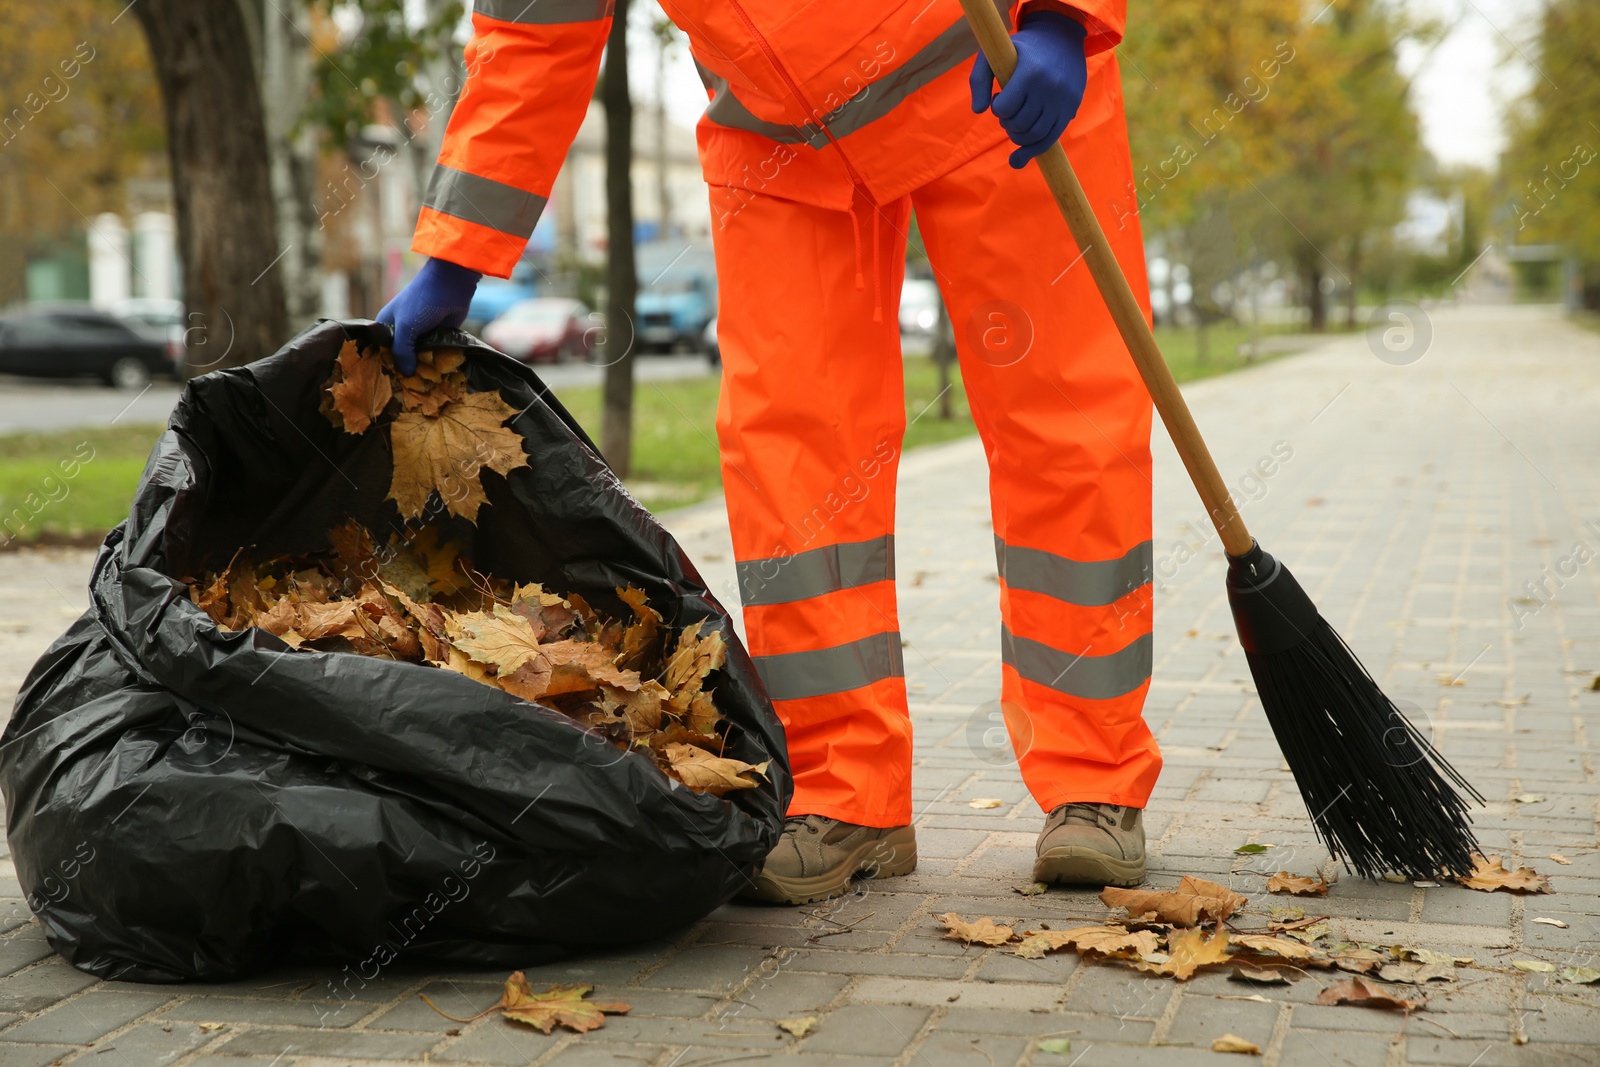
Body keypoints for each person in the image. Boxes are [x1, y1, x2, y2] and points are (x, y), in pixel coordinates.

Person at [378, 0, 1158, 905]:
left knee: (1064, 421)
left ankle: (1094, 779)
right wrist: (457, 253)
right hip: (782, 130)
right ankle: (843, 791)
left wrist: (1067, 19)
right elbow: (534, 29)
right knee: (791, 456)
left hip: (995, 68)